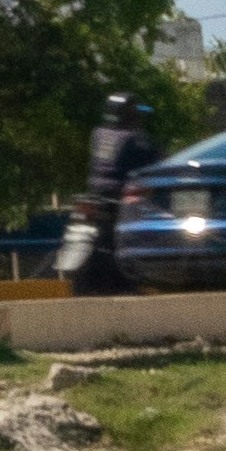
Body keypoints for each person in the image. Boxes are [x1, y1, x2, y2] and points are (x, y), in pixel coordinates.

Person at [62, 80, 157, 295]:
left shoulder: (98, 134)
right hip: (117, 198)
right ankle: (131, 277)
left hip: (93, 196)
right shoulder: (136, 139)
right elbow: (155, 162)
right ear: (131, 115)